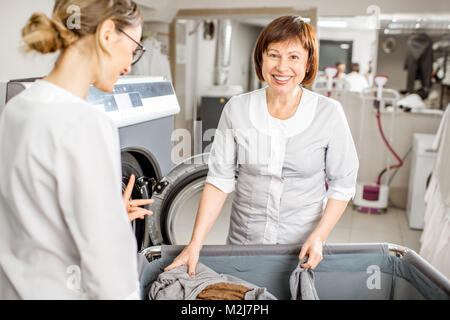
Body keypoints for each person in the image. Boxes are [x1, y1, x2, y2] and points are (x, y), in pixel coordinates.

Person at [165, 16, 359, 276]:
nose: (282, 67)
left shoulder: (329, 114)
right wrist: (195, 243)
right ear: (261, 58)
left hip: (302, 248)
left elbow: (342, 184)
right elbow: (219, 180)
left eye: (293, 57)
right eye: (274, 55)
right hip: (244, 244)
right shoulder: (238, 109)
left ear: (308, 62)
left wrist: (319, 237)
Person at [0, 0, 153, 299]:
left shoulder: (17, 108)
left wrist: (108, 213)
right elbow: (110, 274)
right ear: (107, 33)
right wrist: (110, 227)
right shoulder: (86, 123)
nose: (128, 66)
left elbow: (32, 218)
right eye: (133, 50)